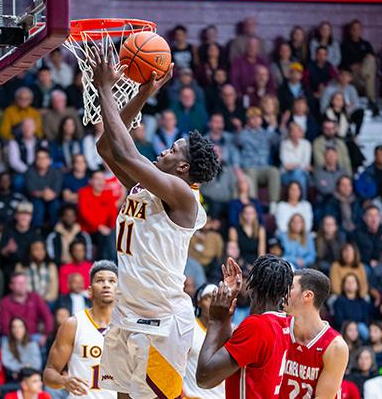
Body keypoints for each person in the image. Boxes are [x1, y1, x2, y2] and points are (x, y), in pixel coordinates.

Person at [90, 49, 219, 399]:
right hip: (126, 313)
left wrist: (105, 89)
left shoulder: (182, 195)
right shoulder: (144, 186)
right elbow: (107, 148)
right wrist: (143, 93)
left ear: (182, 168)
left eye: (174, 150)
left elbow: (129, 154)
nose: (164, 149)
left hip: (161, 323)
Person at [196, 255, 293, 398]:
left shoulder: (257, 326)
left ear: (251, 288)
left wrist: (215, 320)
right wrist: (226, 315)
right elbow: (227, 356)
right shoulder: (284, 324)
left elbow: (204, 378)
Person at [44, 260, 118, 397]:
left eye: (112, 281)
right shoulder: (73, 324)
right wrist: (63, 380)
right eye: (100, 280)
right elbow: (49, 373)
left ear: (119, 290)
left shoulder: (127, 326)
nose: (106, 285)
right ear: (89, 291)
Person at [280, 269, 348, 399]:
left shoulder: (335, 347)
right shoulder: (278, 326)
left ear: (307, 296)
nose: (284, 292)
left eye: (291, 287)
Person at [184, 283, 225, 398]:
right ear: (199, 301)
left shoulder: (227, 331)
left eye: (216, 298)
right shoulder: (190, 327)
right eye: (208, 297)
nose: (213, 302)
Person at [236, 106, 281, 212]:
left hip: (264, 168)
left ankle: (274, 204)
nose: (255, 120)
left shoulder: (266, 133)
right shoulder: (244, 134)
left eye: (258, 117)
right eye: (252, 118)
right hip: (250, 168)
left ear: (261, 119)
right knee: (251, 172)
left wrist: (273, 126)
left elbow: (278, 140)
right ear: (248, 120)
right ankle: (254, 204)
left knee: (274, 171)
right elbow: (237, 140)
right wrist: (241, 128)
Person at [0, 272, 53, 347]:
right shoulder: (5, 302)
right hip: (13, 337)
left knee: (45, 342)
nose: (22, 285)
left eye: (24, 282)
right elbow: (5, 326)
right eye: (18, 283)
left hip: (33, 336)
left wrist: (46, 335)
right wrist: (19, 337)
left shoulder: (35, 297)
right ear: (11, 286)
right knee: (4, 340)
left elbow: (48, 316)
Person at [0, 202, 43, 282]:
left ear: (31, 217)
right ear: (16, 216)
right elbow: (1, 253)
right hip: (11, 268)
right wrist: (7, 249)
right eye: (21, 214)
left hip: (29, 267)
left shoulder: (35, 234)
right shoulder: (8, 232)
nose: (24, 217)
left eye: (27, 214)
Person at [15, 239, 59, 310]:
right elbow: (19, 288)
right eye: (36, 249)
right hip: (27, 301)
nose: (40, 252)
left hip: (47, 302)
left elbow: (54, 290)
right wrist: (33, 300)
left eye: (42, 249)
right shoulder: (21, 266)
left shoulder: (51, 266)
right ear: (30, 251)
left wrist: (43, 300)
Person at [25, 148, 63, 227]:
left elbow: (56, 191)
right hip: (36, 198)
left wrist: (48, 194)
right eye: (39, 158)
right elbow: (31, 190)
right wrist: (43, 193)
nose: (41, 160)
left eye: (44, 158)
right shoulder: (30, 172)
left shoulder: (56, 172)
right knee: (38, 206)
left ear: (49, 160)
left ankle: (55, 230)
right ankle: (37, 230)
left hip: (52, 198)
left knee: (55, 205)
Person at [333, 273, 372, 341]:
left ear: (357, 286)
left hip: (359, 330)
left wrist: (356, 328)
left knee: (362, 327)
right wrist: (351, 327)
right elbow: (338, 321)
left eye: (353, 281)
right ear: (343, 285)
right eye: (347, 282)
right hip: (345, 329)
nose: (350, 284)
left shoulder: (363, 302)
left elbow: (366, 320)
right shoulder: (338, 301)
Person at [228, 204, 266, 270]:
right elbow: (234, 254)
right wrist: (246, 266)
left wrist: (257, 268)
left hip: (256, 264)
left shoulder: (260, 230)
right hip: (240, 263)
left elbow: (261, 253)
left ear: (255, 215)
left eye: (251, 213)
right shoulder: (234, 230)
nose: (249, 216)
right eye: (246, 213)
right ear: (242, 214)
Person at [279, 122, 312, 197]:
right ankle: (302, 202)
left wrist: (294, 165)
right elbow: (286, 165)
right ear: (289, 133)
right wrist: (299, 165)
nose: (296, 133)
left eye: (298, 131)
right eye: (293, 131)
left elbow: (306, 163)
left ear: (301, 133)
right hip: (286, 175)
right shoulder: (284, 144)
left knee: (299, 174)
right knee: (299, 176)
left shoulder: (306, 144)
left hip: (303, 173)